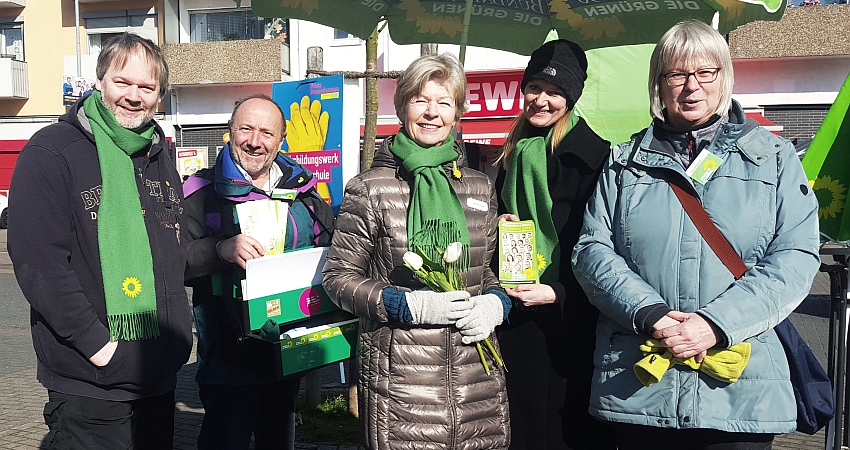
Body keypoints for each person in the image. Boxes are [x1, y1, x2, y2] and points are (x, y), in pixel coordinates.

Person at [571, 20, 820, 450]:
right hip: (639, 385)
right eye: (677, 74)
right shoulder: (623, 163)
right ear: (658, 83)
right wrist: (651, 314)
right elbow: (592, 250)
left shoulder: (772, 157)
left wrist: (715, 324)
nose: (692, 87)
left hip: (740, 391)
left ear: (724, 77)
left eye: (706, 73)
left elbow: (795, 256)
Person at [7, 32, 192, 449]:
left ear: (159, 95)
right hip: (92, 381)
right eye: (122, 82)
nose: (134, 96)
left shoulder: (158, 153)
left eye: (146, 87)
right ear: (100, 81)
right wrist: (98, 346)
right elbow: (39, 264)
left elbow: (172, 250)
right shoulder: (53, 151)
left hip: (157, 375)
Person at [322, 53, 512, 450]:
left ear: (457, 112)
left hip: (477, 377)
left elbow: (488, 271)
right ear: (402, 105)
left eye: (444, 102)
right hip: (404, 386)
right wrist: (409, 306)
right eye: (420, 100)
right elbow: (338, 279)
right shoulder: (370, 188)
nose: (432, 113)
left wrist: (496, 303)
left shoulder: (480, 186)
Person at [183, 94, 334, 450]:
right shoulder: (198, 193)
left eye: (266, 132)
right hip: (227, 360)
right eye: (245, 129)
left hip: (286, 351)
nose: (254, 141)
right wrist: (218, 250)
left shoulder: (306, 197)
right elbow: (173, 263)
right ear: (229, 133)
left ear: (281, 140)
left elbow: (332, 253)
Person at [493, 39, 616, 450]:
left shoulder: (594, 158)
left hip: (569, 320)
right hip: (516, 312)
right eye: (534, 89)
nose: (541, 100)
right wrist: (499, 225)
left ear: (571, 97)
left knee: (564, 432)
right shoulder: (512, 152)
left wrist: (559, 291)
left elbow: (605, 247)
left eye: (555, 92)